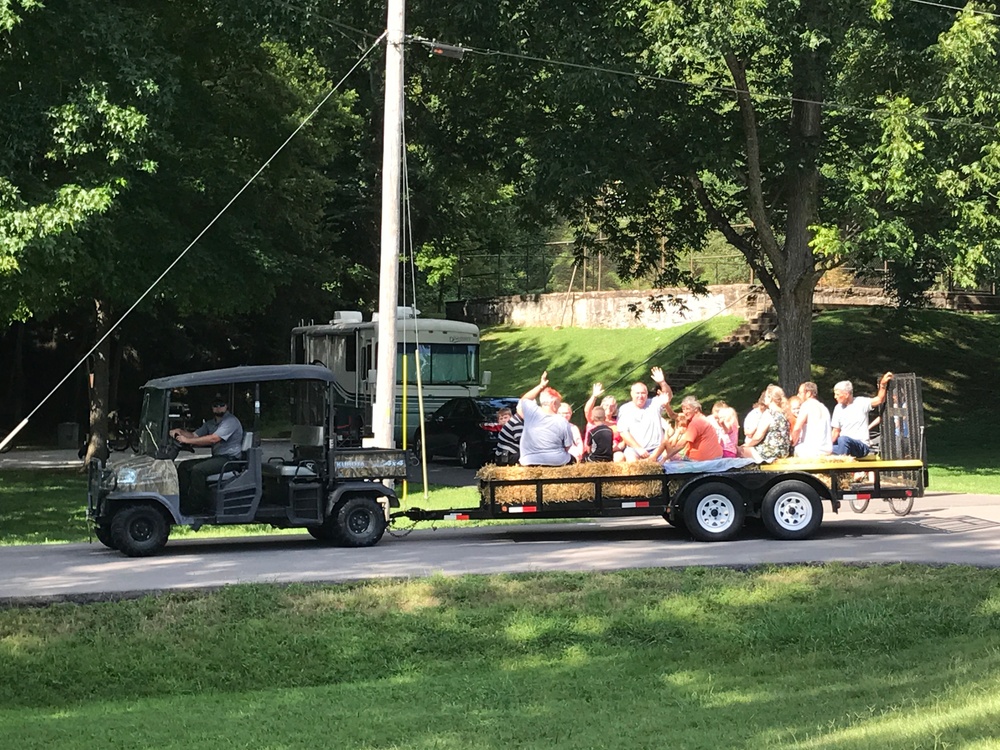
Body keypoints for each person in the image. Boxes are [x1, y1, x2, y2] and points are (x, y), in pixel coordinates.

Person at [170, 395, 244, 513]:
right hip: (217, 458)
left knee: (198, 470)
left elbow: (214, 439)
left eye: (221, 405)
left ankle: (196, 507)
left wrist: (187, 441)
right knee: (184, 466)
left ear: (226, 406)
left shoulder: (230, 421)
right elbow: (194, 435)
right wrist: (179, 431)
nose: (219, 408)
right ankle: (183, 502)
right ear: (212, 408)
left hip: (230, 460)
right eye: (216, 406)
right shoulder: (210, 423)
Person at [517, 371, 574, 466]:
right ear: (554, 404)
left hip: (529, 461)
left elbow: (524, 399)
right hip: (557, 461)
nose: (559, 407)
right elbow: (567, 446)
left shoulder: (531, 412)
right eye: (559, 404)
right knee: (573, 460)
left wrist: (540, 386)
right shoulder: (562, 421)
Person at [616, 366, 673, 461]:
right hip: (635, 449)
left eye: (643, 393)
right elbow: (623, 433)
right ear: (631, 394)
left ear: (647, 394)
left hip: (657, 448)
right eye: (637, 393)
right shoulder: (625, 409)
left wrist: (662, 382)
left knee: (670, 461)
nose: (640, 396)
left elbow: (668, 396)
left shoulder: (654, 403)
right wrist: (639, 449)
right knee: (632, 462)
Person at [831, 373, 893, 458]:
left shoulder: (861, 402)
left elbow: (879, 399)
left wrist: (882, 385)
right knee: (824, 449)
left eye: (837, 394)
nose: (835, 397)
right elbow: (835, 432)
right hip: (844, 446)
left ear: (846, 394)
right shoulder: (838, 408)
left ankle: (842, 467)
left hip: (860, 445)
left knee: (843, 439)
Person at [655, 395, 723, 462]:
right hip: (716, 456)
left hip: (701, 460)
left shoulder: (695, 423)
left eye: (687, 409)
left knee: (667, 450)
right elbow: (673, 415)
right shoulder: (699, 418)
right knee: (666, 445)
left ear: (696, 409)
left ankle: (652, 460)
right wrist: (666, 405)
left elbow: (681, 445)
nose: (685, 412)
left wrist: (665, 458)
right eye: (683, 409)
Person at [739, 384, 791, 461]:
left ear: (770, 398)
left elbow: (758, 437)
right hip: (783, 452)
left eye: (766, 397)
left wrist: (747, 445)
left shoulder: (769, 414)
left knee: (739, 450)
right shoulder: (784, 414)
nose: (764, 399)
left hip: (769, 453)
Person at [790, 381, 832, 458]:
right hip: (827, 450)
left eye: (800, 393)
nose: (798, 395)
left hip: (811, 450)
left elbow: (797, 428)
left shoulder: (807, 405)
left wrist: (791, 443)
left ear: (808, 393)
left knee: (794, 450)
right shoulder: (824, 407)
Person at [583, 382, 623, 456]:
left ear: (615, 408)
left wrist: (617, 447)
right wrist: (594, 396)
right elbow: (587, 411)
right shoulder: (595, 419)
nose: (609, 407)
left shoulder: (617, 423)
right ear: (602, 405)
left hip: (613, 452)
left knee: (619, 456)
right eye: (606, 405)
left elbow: (623, 441)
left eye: (612, 406)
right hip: (594, 452)